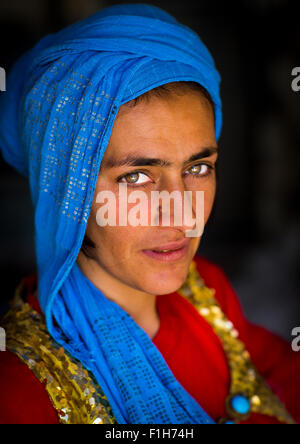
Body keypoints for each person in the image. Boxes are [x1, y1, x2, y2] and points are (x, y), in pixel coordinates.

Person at [0, 3, 299, 425]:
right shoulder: (21, 392)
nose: (180, 211)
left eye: (198, 168)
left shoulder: (206, 293)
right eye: (137, 176)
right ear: (67, 191)